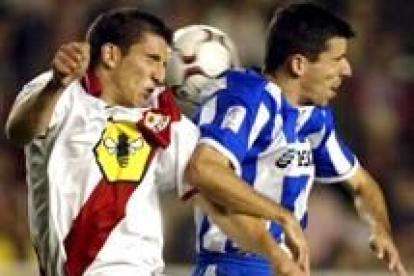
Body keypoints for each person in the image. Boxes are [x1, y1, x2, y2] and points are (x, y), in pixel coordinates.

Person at [5, 7, 307, 276]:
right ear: (111, 55)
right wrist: (55, 84)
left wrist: (276, 253)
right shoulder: (62, 93)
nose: (160, 75)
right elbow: (20, 132)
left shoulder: (168, 121)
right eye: (151, 59)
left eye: (164, 64)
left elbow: (217, 201)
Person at [185, 3, 408, 276]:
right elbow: (203, 169)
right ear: (299, 64)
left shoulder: (313, 117)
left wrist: (380, 229)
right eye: (337, 59)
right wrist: (282, 216)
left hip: (284, 265)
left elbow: (362, 183)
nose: (347, 70)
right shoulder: (248, 98)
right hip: (233, 266)